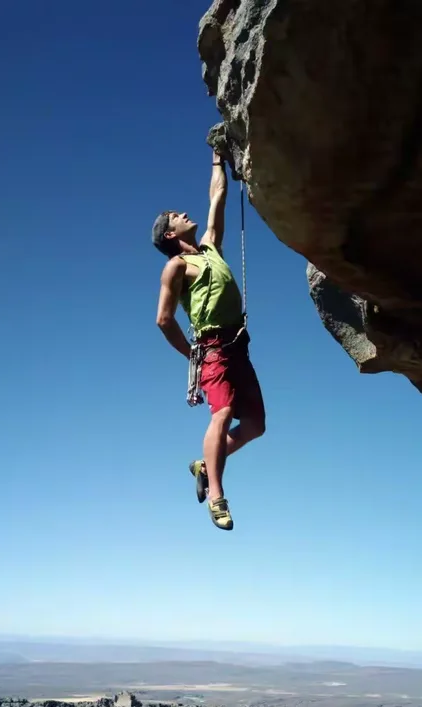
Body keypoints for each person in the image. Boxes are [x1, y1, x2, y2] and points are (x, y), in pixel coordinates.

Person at [151, 150, 265, 531]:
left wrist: (218, 160)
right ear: (170, 234)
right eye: (176, 217)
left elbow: (218, 198)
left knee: (256, 425)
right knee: (222, 413)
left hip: (238, 347)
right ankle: (216, 494)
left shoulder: (210, 248)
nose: (185, 215)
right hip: (212, 349)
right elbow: (164, 320)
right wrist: (192, 356)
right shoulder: (177, 267)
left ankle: (204, 463)